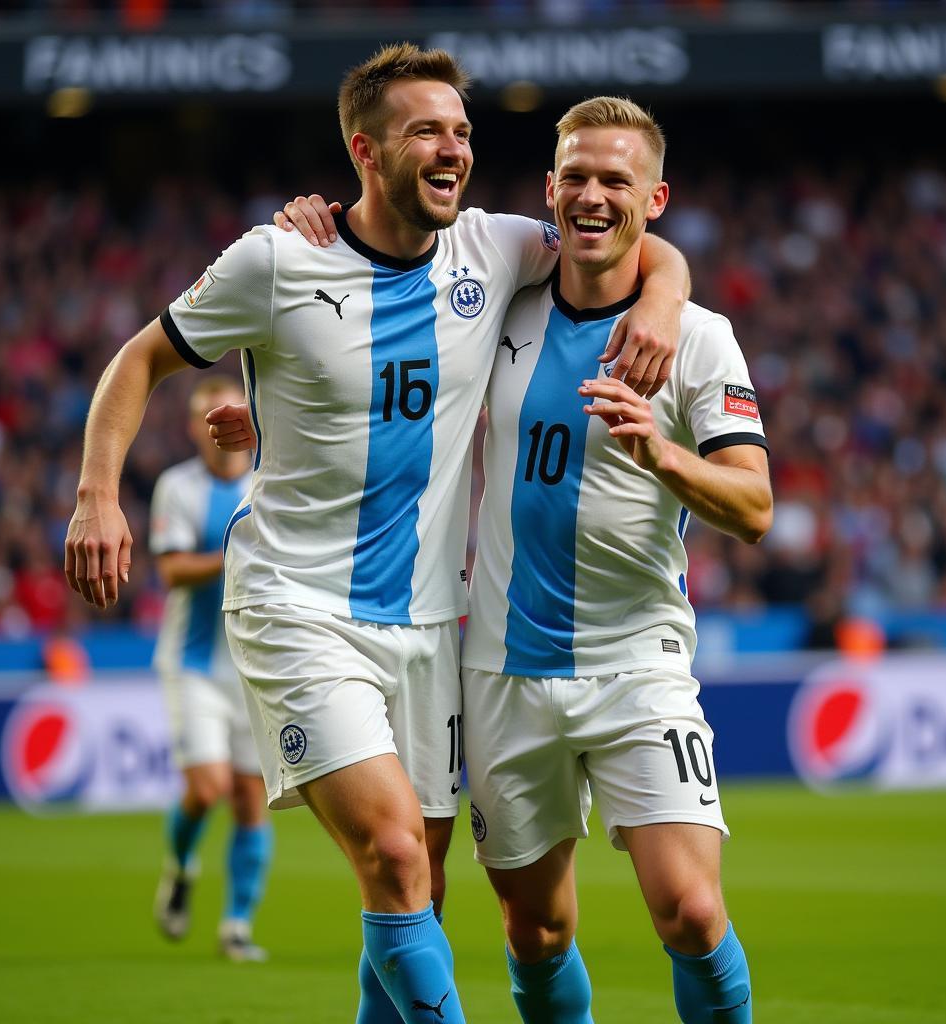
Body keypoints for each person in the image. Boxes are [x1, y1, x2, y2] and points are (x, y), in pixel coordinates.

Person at [63, 44, 689, 1024]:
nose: (453, 150)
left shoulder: (492, 247)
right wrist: (98, 493)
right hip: (296, 605)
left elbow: (628, 235)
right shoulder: (277, 260)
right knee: (395, 855)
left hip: (430, 622)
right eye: (425, 132)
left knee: (418, 894)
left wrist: (660, 298)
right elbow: (137, 362)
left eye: (462, 133)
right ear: (364, 150)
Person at [458, 97, 772, 1023]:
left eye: (617, 182)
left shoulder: (699, 336)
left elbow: (755, 507)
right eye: (578, 179)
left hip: (638, 664)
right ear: (549, 190)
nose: (593, 197)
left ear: (656, 198)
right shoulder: (491, 307)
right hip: (500, 670)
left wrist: (663, 455)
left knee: (691, 909)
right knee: (536, 932)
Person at [150, 375, 271, 962]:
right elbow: (171, 571)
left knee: (252, 799)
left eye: (224, 416)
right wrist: (237, 553)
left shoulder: (268, 483)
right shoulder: (178, 488)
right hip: (193, 662)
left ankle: (237, 925)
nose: (215, 430)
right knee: (209, 787)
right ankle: (180, 864)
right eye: (205, 420)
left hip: (253, 664)